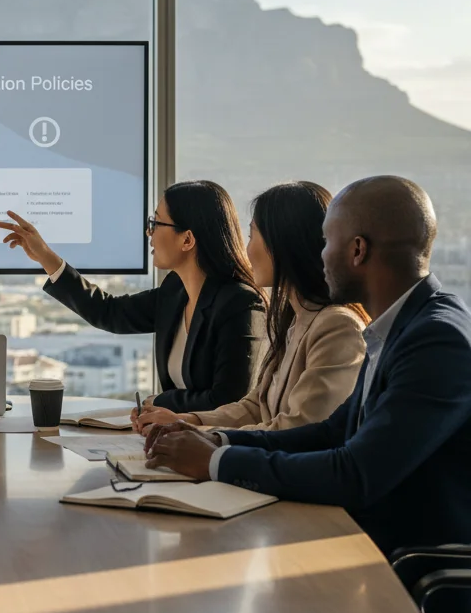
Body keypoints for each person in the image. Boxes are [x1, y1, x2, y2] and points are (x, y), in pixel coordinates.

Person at [144, 176, 471, 555]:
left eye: (327, 241)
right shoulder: (401, 326)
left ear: (358, 250)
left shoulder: (435, 339)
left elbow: (356, 473)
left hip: (404, 568)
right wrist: (218, 439)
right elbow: (331, 432)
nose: (319, 254)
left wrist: (217, 460)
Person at [0, 181, 265, 413]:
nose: (149, 232)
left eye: (156, 223)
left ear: (187, 239)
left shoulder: (240, 304)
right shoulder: (175, 291)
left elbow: (228, 401)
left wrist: (160, 402)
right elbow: (110, 313)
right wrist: (45, 257)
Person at [134, 181, 367, 435]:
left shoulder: (337, 326)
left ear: (282, 243)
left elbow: (299, 430)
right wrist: (188, 421)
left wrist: (205, 438)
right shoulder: (293, 321)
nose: (247, 249)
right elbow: (255, 407)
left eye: (252, 235)